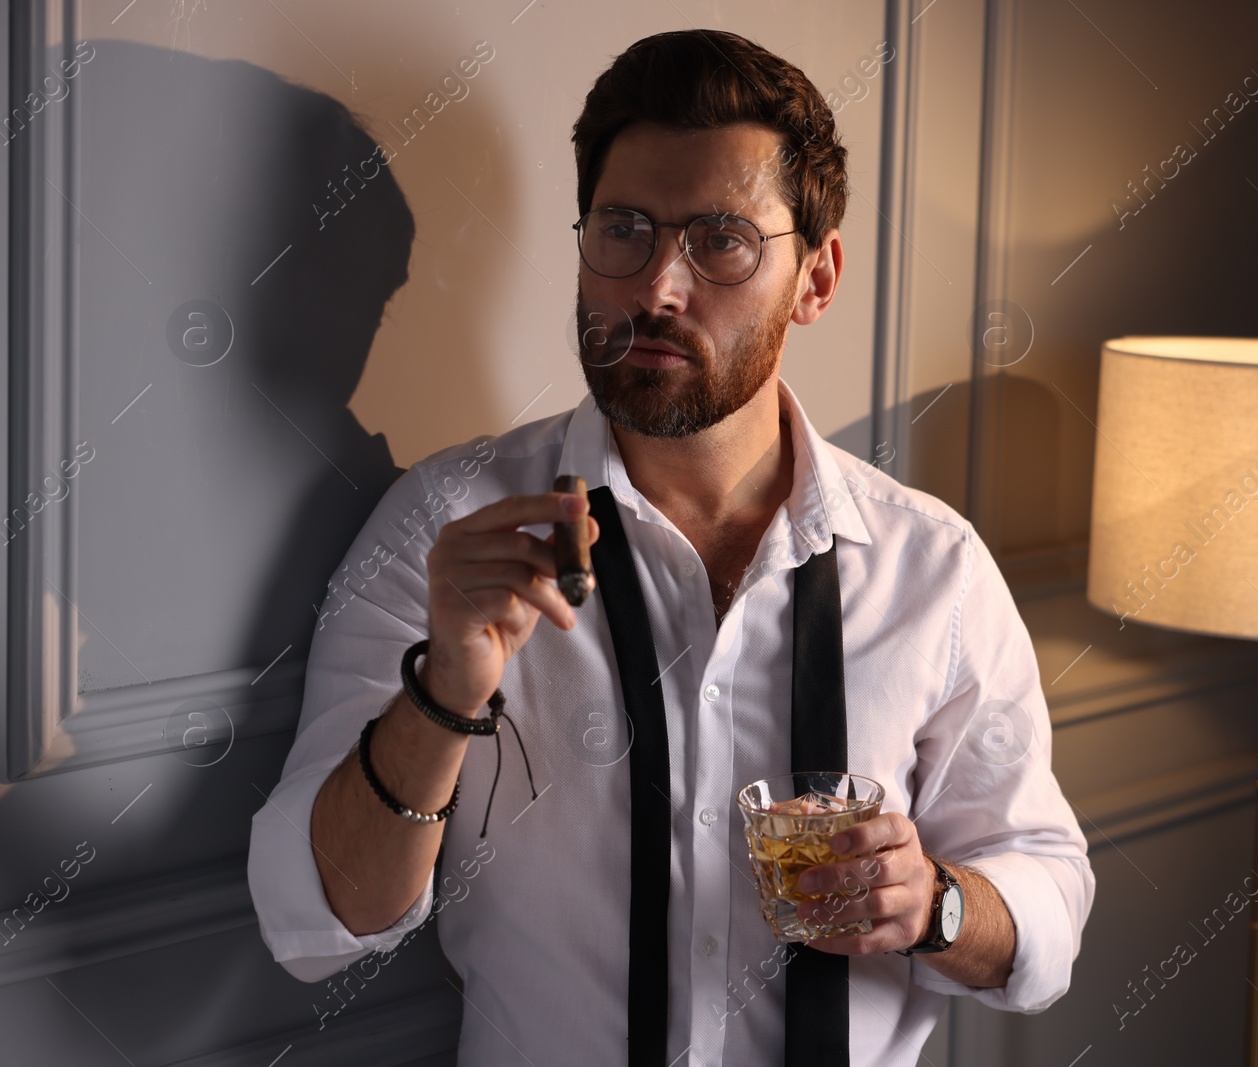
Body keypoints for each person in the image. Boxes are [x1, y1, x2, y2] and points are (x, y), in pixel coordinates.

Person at [248, 28, 1093, 1066]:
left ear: (816, 280)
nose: (655, 288)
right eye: (624, 229)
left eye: (721, 240)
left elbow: (1046, 898)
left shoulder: (932, 567)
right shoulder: (446, 526)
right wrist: (443, 690)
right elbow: (317, 916)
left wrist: (937, 905)